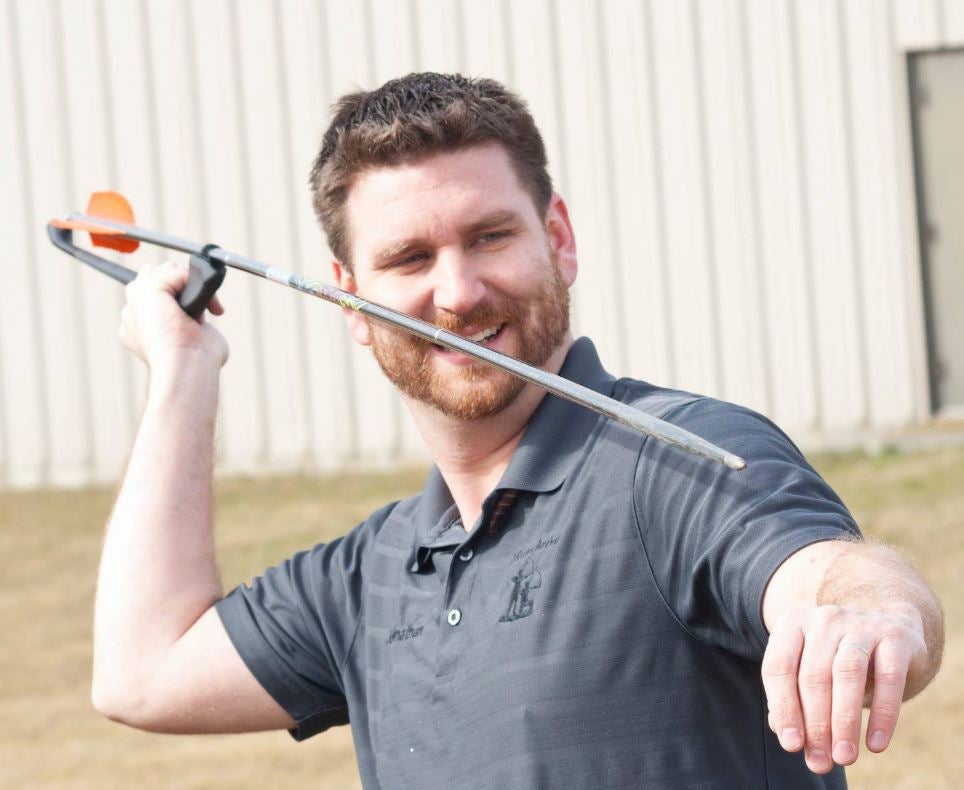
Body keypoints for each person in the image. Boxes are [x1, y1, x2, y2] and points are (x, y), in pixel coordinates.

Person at [96, 73, 943, 788]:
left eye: (489, 237)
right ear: (349, 298)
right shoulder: (368, 578)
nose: (459, 293)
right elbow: (143, 674)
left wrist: (869, 613)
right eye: (409, 260)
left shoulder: (670, 462)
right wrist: (181, 372)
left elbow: (825, 570)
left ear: (558, 240)